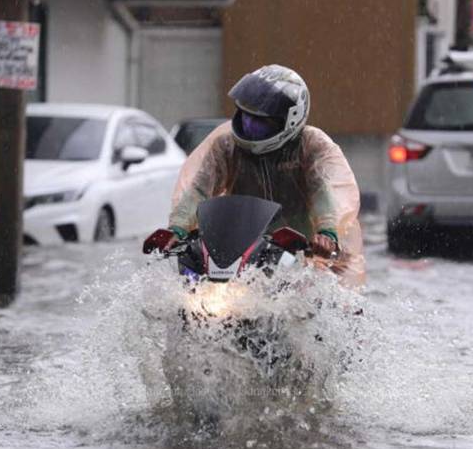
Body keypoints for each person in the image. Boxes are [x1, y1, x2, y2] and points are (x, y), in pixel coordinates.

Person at [145, 64, 365, 287]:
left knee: (331, 296)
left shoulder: (311, 145)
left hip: (306, 252)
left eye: (259, 122)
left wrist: (327, 232)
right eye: (245, 117)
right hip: (243, 252)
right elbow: (198, 190)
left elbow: (325, 190)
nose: (249, 126)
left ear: (290, 119)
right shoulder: (226, 145)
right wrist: (177, 229)